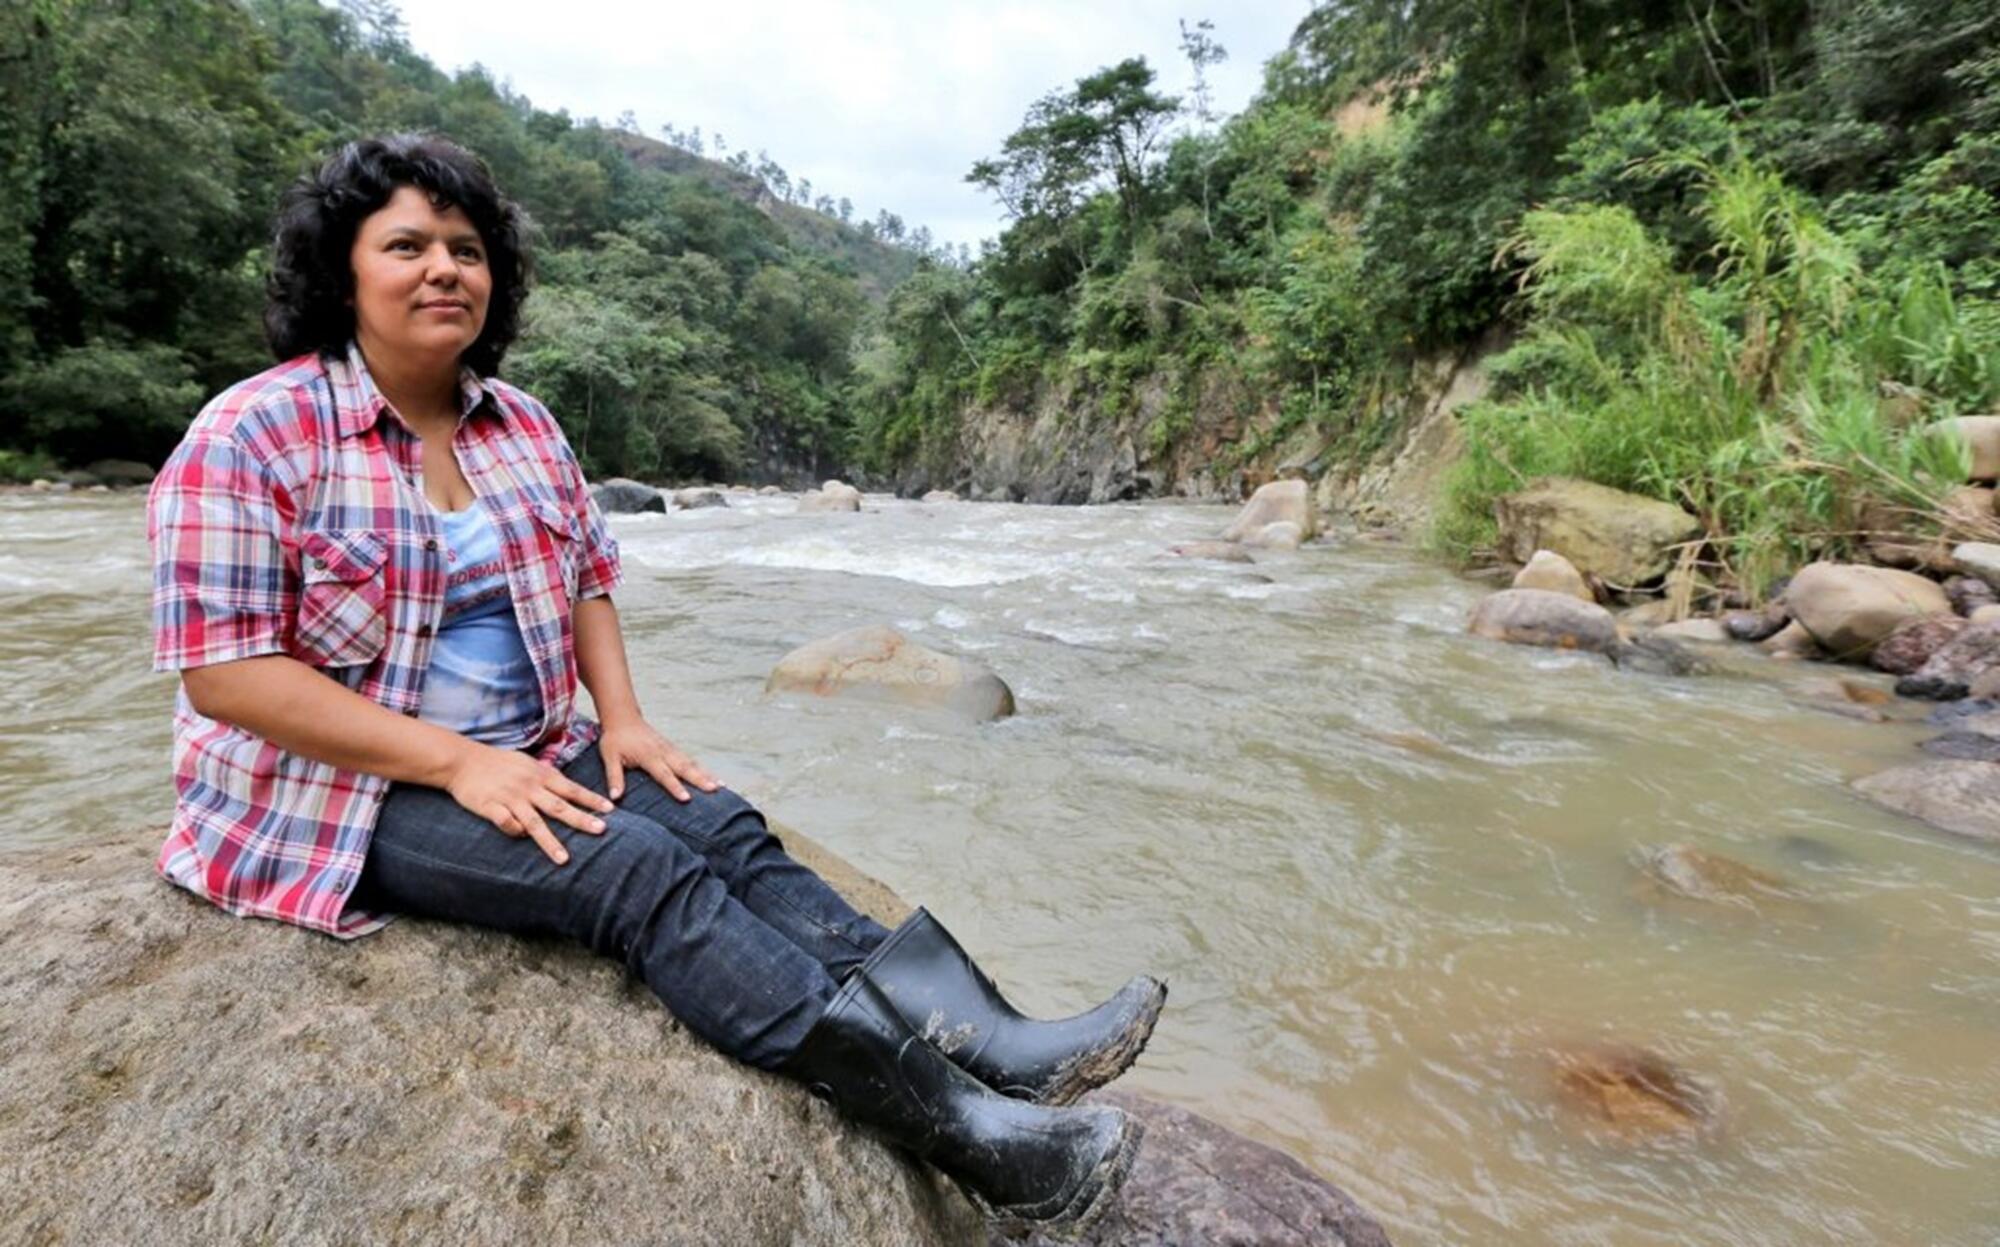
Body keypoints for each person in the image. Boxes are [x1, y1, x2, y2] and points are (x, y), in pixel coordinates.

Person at [146, 133, 1164, 1236]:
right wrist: (457, 761)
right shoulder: (253, 432)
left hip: (528, 745)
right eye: (405, 245)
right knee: (632, 873)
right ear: (340, 272)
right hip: (341, 789)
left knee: (718, 826)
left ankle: (1000, 1044)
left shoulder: (521, 424)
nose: (445, 268)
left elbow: (587, 578)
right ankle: (983, 1142)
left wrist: (621, 720)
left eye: (467, 248)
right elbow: (229, 674)